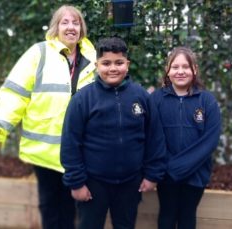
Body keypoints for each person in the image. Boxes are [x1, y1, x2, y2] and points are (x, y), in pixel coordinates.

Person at [0, 5, 96, 229]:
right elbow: (14, 94)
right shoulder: (39, 53)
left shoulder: (93, 58)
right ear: (56, 27)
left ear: (81, 28)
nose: (70, 27)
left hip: (78, 149)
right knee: (49, 205)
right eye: (65, 22)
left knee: (71, 207)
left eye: (75, 23)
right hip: (44, 150)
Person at [60, 37, 166, 229]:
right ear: (96, 65)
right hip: (92, 183)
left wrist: (152, 175)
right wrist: (76, 183)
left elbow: (155, 138)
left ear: (128, 64)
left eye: (119, 62)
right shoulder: (82, 99)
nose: (113, 68)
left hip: (130, 183)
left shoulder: (141, 97)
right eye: (106, 63)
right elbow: (70, 143)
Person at [150, 47, 222, 229]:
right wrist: (166, 168)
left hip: (195, 174)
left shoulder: (207, 101)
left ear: (194, 70)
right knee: (167, 215)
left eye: (185, 67)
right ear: (167, 70)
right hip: (166, 176)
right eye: (175, 67)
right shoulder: (156, 100)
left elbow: (209, 141)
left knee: (187, 216)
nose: (180, 71)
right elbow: (153, 137)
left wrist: (177, 168)